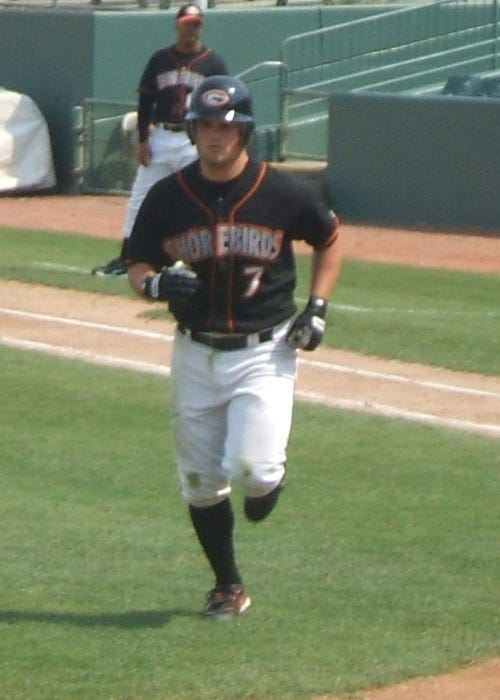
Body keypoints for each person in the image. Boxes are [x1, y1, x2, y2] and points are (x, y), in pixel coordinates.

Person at [126, 75, 342, 619]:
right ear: (192, 129)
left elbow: (330, 239)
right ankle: (228, 584)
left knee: (254, 472)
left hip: (263, 351)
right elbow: (136, 261)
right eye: (204, 124)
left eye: (226, 125)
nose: (215, 134)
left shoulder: (284, 191)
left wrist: (315, 308)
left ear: (245, 130)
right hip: (193, 351)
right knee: (200, 483)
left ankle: (270, 478)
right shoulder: (167, 196)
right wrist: (152, 284)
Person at [92, 3, 228, 277]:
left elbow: (223, 104)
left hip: (193, 141)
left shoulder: (214, 63)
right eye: (187, 23)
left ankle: (203, 264)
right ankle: (128, 258)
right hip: (162, 136)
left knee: (197, 200)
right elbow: (146, 100)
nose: (192, 29)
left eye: (197, 24)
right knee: (141, 197)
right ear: (177, 25)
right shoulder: (160, 59)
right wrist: (143, 138)